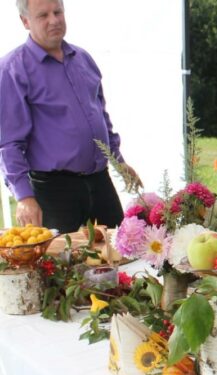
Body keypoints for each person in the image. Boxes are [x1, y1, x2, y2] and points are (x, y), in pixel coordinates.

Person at [0, 0, 141, 232]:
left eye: (58, 12)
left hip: (99, 181)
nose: (54, 20)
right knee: (63, 265)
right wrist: (24, 197)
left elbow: (102, 118)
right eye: (43, 15)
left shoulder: (82, 58)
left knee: (121, 255)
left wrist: (118, 161)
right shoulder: (12, 70)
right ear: (25, 21)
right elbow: (9, 143)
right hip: (54, 192)